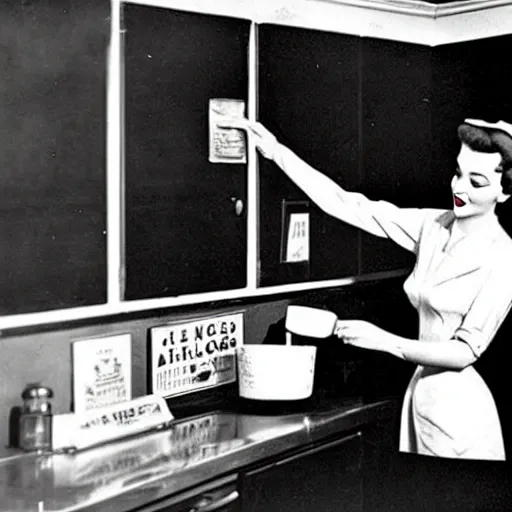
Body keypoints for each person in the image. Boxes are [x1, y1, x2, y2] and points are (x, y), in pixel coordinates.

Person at [228, 117, 512, 461]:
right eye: (458, 173)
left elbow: (465, 352)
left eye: (477, 182)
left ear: (505, 191)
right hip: (419, 397)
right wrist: (276, 152)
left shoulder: (504, 257)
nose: (460, 188)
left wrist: (383, 341)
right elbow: (350, 205)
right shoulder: (433, 226)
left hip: (462, 412)